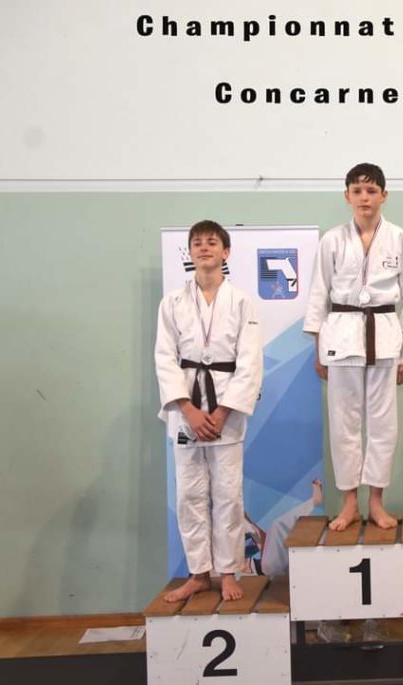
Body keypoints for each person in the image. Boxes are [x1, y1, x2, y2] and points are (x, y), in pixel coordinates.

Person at [304, 163, 403, 532]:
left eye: (372, 191)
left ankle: (375, 501)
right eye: (358, 191)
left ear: (384, 195)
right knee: (343, 423)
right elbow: (318, 294)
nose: (365, 198)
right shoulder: (331, 241)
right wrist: (319, 350)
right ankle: (349, 503)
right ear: (347, 196)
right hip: (341, 339)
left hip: (386, 338)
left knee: (382, 424)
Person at [155, 220, 264, 601]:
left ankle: (229, 571)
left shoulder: (242, 302)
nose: (204, 248)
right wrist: (188, 409)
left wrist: (220, 413)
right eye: (197, 243)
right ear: (190, 252)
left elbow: (250, 362)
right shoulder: (172, 303)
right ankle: (199, 572)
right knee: (189, 495)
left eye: (212, 242)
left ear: (225, 252)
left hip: (225, 410)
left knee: (228, 495)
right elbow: (164, 358)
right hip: (185, 410)